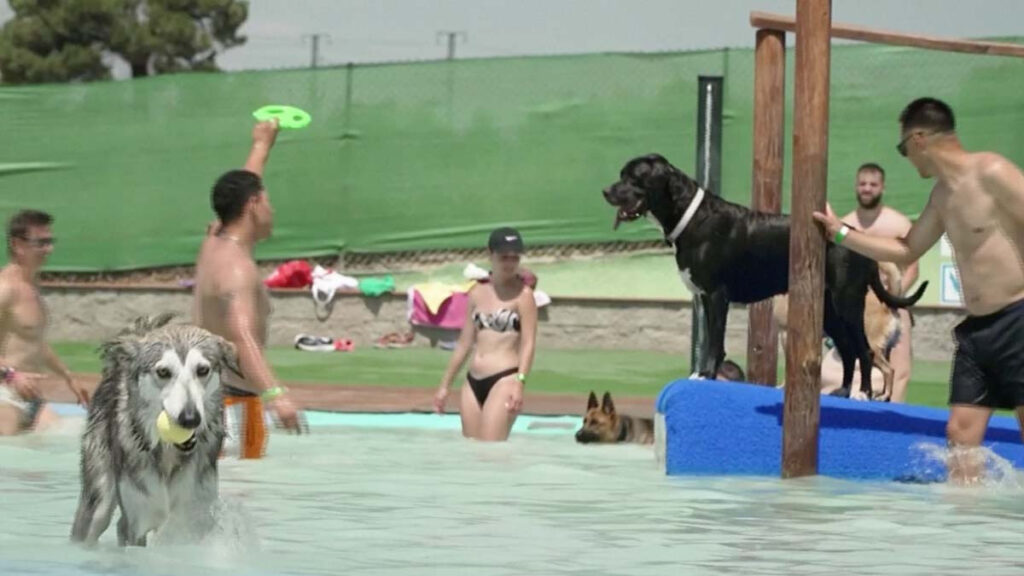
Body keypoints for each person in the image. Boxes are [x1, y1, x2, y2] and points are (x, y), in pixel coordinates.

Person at [813, 97, 1024, 485]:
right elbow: (907, 249)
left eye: (903, 148)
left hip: (1018, 318)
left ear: (920, 139)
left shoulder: (992, 172)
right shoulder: (943, 196)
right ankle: (967, 533)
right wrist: (841, 233)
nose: (906, 158)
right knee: (960, 439)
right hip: (978, 332)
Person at [193, 118, 303, 458]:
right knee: (244, 501)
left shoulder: (215, 242)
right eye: (267, 203)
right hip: (234, 405)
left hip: (202, 395)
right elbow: (243, 338)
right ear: (254, 205)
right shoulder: (239, 270)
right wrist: (276, 394)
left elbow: (240, 193)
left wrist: (261, 146)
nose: (273, 212)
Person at [820, 163, 919, 402]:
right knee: (848, 361)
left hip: (893, 302)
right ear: (856, 187)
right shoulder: (844, 225)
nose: (867, 189)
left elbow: (913, 269)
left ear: (882, 188)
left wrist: (891, 298)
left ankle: (895, 413)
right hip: (854, 304)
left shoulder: (898, 224)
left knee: (900, 368)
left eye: (873, 185)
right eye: (863, 184)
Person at [433, 227, 538, 441]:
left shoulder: (524, 296)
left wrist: (520, 382)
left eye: (514, 258)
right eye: (503, 257)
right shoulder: (477, 293)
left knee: (492, 453)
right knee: (472, 452)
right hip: (472, 381)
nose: (509, 263)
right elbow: (464, 344)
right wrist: (445, 386)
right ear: (490, 255)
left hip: (504, 379)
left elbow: (528, 343)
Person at [0, 210, 89, 435]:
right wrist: (11, 375)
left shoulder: (31, 287)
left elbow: (36, 344)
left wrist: (68, 376)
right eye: (41, 243)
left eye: (50, 242)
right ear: (18, 245)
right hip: (4, 396)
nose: (49, 249)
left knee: (67, 437)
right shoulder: (5, 288)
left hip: (31, 398)